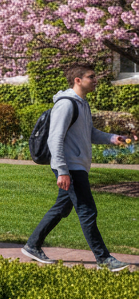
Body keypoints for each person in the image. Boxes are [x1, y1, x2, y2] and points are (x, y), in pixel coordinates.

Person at [22, 64, 132, 271]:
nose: (96, 79)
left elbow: (89, 132)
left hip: (76, 165)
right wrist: (62, 170)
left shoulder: (82, 104)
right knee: (87, 210)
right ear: (77, 80)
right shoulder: (66, 104)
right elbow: (55, 139)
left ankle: (32, 245)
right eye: (91, 76)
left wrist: (112, 138)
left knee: (62, 207)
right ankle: (104, 259)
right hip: (70, 166)